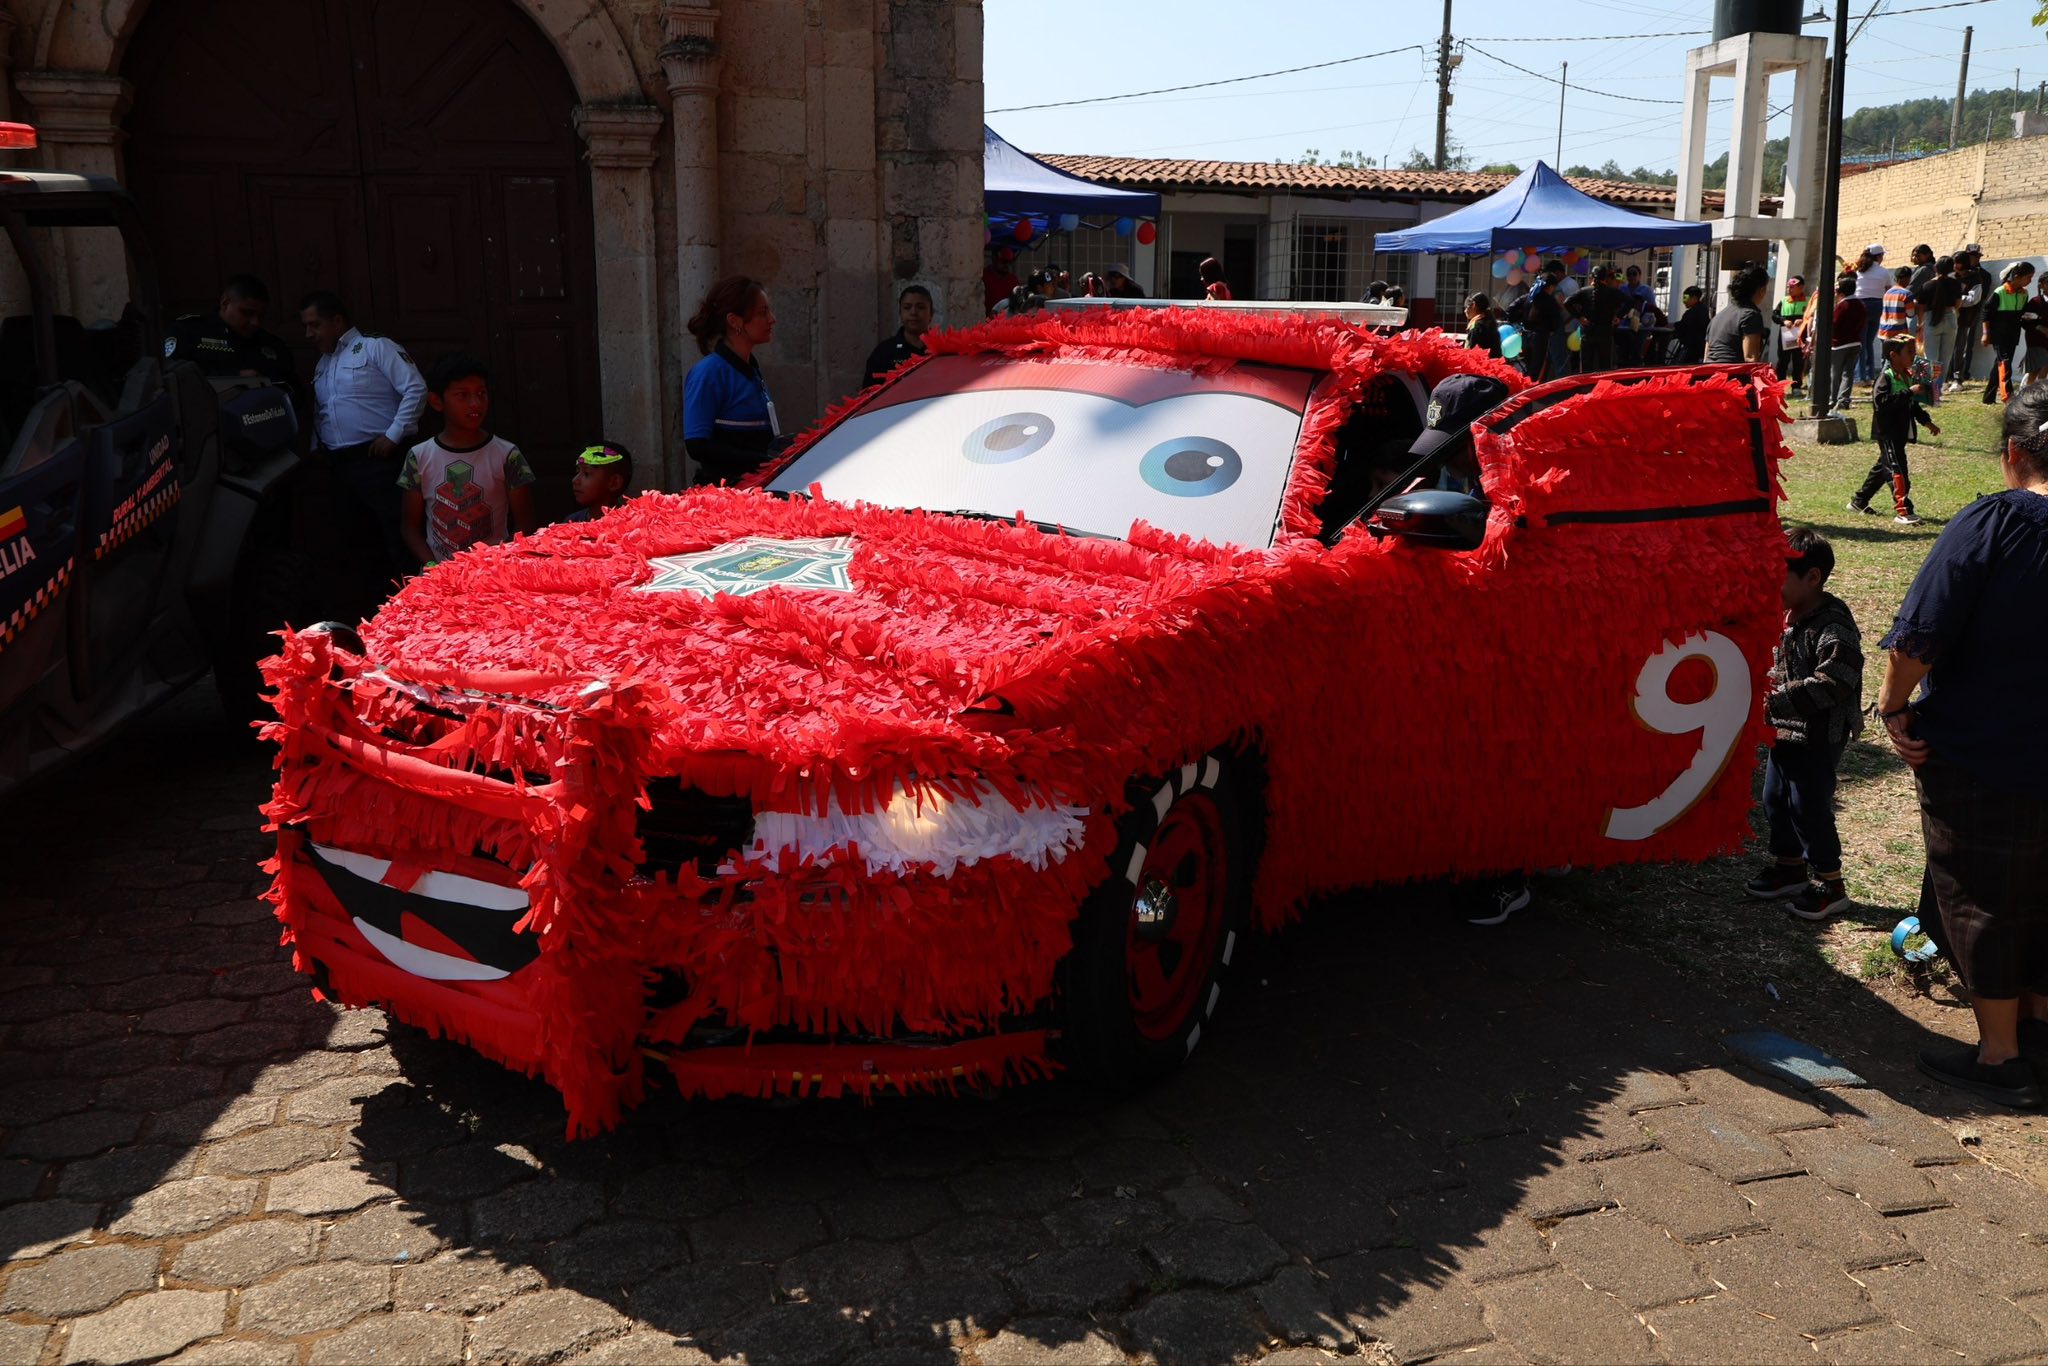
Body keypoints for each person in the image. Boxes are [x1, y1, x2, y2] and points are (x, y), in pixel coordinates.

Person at [1875, 384, 2048, 1107]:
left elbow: (1921, 631)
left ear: (2013, 453)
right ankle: (2038, 1032)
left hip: (1983, 751)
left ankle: (2001, 1057)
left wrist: (1891, 707)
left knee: (1982, 897)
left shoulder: (1995, 523)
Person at [1744, 527, 1862, 921]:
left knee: (1808, 805)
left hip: (1817, 734)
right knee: (1775, 798)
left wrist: (1774, 698)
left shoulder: (1833, 624)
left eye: (1779, 575)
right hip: (1784, 731)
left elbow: (1837, 680)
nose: (1769, 584)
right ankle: (1790, 867)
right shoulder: (1786, 612)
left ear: (1813, 578)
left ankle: (1831, 884)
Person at [302, 290, 428, 606]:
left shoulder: (375, 347)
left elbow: (415, 388)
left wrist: (393, 436)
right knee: (355, 541)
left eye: (314, 325)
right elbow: (324, 411)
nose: (309, 334)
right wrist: (316, 449)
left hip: (380, 460)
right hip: (339, 467)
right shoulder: (322, 364)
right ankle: (375, 612)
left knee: (397, 536)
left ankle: (417, 607)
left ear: (337, 321)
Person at [398, 353, 535, 568]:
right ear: (436, 401)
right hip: (440, 576)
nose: (476, 403)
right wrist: (434, 568)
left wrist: (495, 564)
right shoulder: (419, 456)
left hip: (493, 573)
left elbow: (525, 525)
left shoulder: (508, 455)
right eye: (463, 395)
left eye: (481, 393)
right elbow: (409, 528)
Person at [682, 275, 783, 487]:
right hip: (727, 497)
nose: (772, 319)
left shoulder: (751, 367)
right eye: (762, 313)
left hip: (758, 489)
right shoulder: (708, 373)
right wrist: (763, 461)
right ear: (734, 321)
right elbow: (697, 445)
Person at [1849, 333, 1936, 526]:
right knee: (1898, 472)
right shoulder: (1885, 378)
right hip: (1887, 433)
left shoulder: (1906, 377)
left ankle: (1858, 501)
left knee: (1883, 468)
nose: (1913, 357)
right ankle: (1904, 511)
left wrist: (1927, 422)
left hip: (1900, 433)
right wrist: (1909, 392)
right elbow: (1882, 403)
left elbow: (1912, 406)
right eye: (1909, 352)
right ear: (1893, 355)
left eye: (1914, 352)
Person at [166, 275, 296, 386]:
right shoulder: (189, 332)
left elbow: (295, 393)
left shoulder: (272, 343)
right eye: (247, 313)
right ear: (225, 303)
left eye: (261, 316)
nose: (255, 322)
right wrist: (234, 378)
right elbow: (172, 379)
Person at [861, 284, 933, 389]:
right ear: (900, 313)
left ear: (931, 314)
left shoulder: (944, 352)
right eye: (907, 307)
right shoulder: (883, 352)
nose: (913, 312)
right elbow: (869, 396)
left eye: (920, 307)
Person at [1983, 261, 2034, 405]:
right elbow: (1986, 313)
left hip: (2013, 334)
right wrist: (1986, 334)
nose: (2030, 280)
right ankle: (2008, 397)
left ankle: (1988, 397)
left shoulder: (2024, 293)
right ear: (2017, 276)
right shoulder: (2000, 292)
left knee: (2000, 364)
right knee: (2005, 363)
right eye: (2028, 277)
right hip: (1998, 334)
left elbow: (2023, 313)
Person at [1915, 256, 1962, 402]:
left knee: (1929, 358)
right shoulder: (1955, 284)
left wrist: (1920, 324)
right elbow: (1958, 303)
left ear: (1936, 268)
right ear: (1951, 268)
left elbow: (1920, 307)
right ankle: (1938, 392)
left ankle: (1928, 392)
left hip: (1931, 318)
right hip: (1950, 318)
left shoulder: (1927, 285)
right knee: (1945, 358)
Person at [1705, 265, 1769, 364]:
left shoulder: (1718, 316)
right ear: (1762, 290)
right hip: (1734, 376)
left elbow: (1707, 356)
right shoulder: (1750, 315)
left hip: (1710, 374)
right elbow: (1750, 359)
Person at [1822, 273, 1866, 411]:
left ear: (1841, 291)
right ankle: (1844, 399)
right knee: (1848, 373)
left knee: (1835, 373)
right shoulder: (1860, 304)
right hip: (1855, 343)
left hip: (1838, 344)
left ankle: (1833, 398)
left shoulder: (1842, 306)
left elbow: (1833, 324)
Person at [1951, 245, 1992, 394]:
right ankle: (1948, 376)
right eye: (1970, 255)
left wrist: (1956, 299)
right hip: (1950, 316)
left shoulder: (1980, 276)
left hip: (1969, 315)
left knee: (1963, 346)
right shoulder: (1951, 276)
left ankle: (1960, 376)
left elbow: (1977, 298)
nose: (1973, 258)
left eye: (1975, 256)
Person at [565, 442, 633, 523]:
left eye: (586, 473)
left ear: (614, 482)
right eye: (577, 472)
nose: (575, 480)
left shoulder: (632, 524)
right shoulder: (571, 522)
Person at [1522, 261, 1567, 381]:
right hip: (1543, 336)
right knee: (1544, 364)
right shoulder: (1550, 300)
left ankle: (1528, 387)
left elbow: (1512, 310)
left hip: (1528, 334)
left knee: (1531, 366)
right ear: (1551, 286)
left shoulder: (1529, 297)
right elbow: (1555, 319)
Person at [1852, 244, 1891, 382]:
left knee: (1860, 341)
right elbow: (1888, 290)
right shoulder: (1883, 272)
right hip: (1877, 305)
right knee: (1869, 341)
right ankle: (1869, 375)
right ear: (1879, 256)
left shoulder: (1858, 271)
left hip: (1860, 305)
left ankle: (1859, 376)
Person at [1773, 276, 1810, 392]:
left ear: (1801, 287)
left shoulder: (1808, 301)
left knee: (1798, 361)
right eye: (1788, 287)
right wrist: (1784, 321)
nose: (1789, 289)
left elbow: (1813, 317)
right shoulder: (1784, 301)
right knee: (1783, 361)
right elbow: (1775, 315)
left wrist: (1803, 320)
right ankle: (1780, 385)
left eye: (1792, 287)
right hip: (1785, 336)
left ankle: (1797, 386)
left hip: (1800, 335)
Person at [2019, 273, 2048, 390]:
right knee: (2039, 366)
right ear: (2041, 286)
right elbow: (2025, 321)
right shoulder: (2035, 302)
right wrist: (2040, 328)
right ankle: (2029, 391)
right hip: (2036, 339)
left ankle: (2033, 390)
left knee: (2042, 367)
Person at [1673, 285, 1710, 364]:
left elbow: (1684, 325)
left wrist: (1674, 326)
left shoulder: (1693, 312)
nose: (1684, 301)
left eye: (1685, 298)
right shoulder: (1702, 309)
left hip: (1693, 347)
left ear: (1694, 298)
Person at [1879, 265, 1917, 342]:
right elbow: (1911, 314)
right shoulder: (1906, 294)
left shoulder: (1887, 293)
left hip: (1883, 331)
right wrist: (1915, 304)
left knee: (1886, 354)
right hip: (1898, 334)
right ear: (1907, 278)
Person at [983, 246, 1019, 314]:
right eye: (1004, 262)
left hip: (1006, 321)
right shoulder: (984, 277)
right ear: (994, 258)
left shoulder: (1013, 280)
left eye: (1009, 262)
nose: (1007, 265)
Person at [1463, 291, 1501, 358]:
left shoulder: (1476, 326)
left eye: (1466, 307)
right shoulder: (1490, 322)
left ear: (1474, 305)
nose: (1465, 310)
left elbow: (1471, 351)